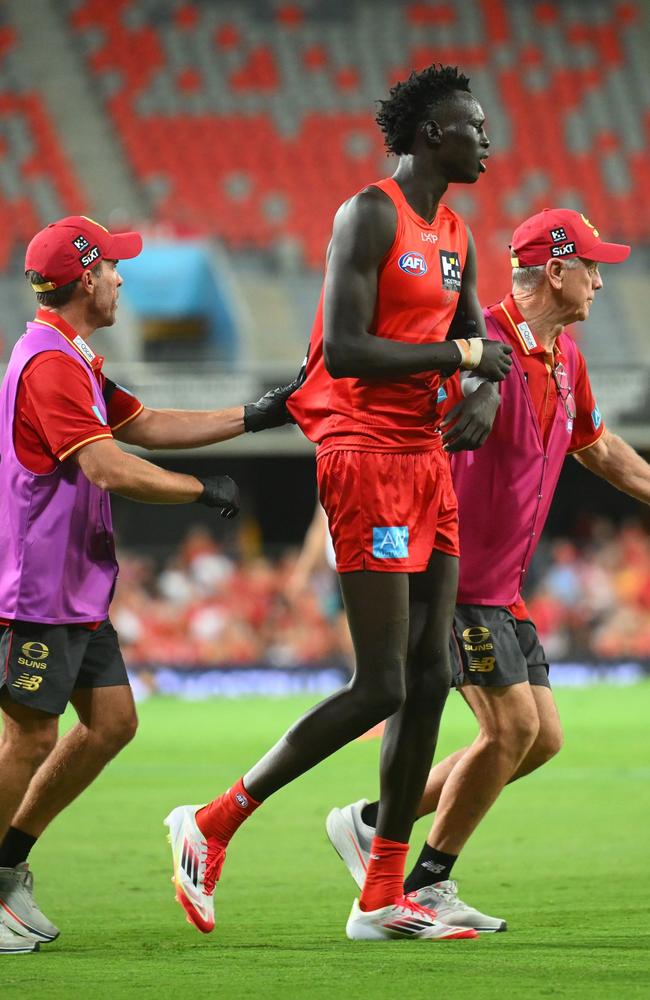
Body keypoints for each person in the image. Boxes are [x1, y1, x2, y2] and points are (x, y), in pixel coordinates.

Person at [164, 64, 512, 943]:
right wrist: (461, 366)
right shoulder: (368, 215)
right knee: (383, 682)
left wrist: (485, 392)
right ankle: (211, 822)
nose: (486, 137)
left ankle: (382, 895)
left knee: (432, 681)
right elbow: (349, 352)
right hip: (362, 454)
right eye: (472, 124)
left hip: (425, 458)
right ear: (432, 133)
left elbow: (480, 348)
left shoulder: (458, 232)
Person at [326, 207, 643, 932]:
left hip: (504, 587)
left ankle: (373, 820)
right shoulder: (473, 343)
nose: (600, 280)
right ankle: (427, 880)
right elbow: (390, 419)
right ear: (555, 270)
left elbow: (598, 448)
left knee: (541, 739)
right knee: (509, 728)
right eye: (592, 265)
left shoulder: (566, 358)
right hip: (453, 577)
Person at [0, 215, 300, 955]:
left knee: (112, 724)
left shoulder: (75, 356)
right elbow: (108, 466)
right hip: (37, 589)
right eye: (113, 267)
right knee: (32, 734)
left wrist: (255, 416)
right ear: (85, 278)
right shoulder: (50, 363)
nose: (123, 278)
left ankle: (8, 867)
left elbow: (148, 423)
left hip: (73, 585)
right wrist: (198, 492)